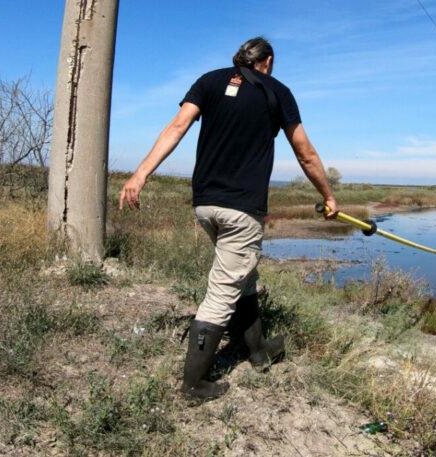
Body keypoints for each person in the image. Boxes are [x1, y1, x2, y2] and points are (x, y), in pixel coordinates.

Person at [118, 37, 340, 400]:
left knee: (244, 276)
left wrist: (140, 173)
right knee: (222, 292)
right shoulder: (278, 91)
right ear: (266, 61)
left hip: (205, 205)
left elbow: (177, 127)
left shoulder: (208, 80)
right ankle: (194, 384)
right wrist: (328, 196)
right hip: (242, 210)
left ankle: (258, 351)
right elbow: (306, 153)